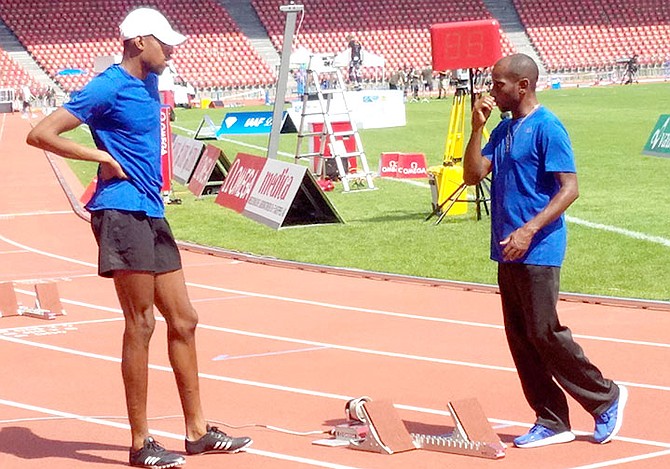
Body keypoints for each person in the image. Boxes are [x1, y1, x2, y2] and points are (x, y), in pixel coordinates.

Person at [26, 7, 252, 468]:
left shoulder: (151, 81)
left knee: (184, 320)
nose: (172, 49)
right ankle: (140, 442)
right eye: (164, 42)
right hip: (120, 211)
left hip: (152, 210)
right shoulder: (108, 85)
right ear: (137, 42)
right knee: (142, 323)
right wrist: (99, 155)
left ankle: (196, 432)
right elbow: (41, 133)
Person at [462, 53, 627, 449]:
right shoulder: (502, 129)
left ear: (523, 86)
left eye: (498, 84)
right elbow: (471, 176)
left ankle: (606, 397)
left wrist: (529, 230)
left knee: (544, 332)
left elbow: (570, 188)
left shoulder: (547, 127)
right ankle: (551, 419)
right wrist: (476, 129)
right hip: (506, 248)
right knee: (520, 338)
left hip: (538, 246)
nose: (492, 91)